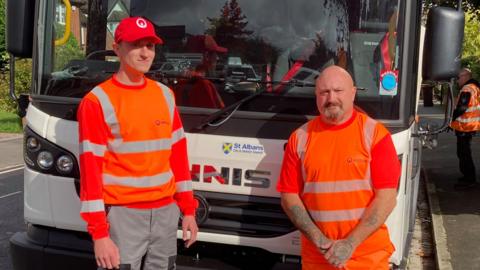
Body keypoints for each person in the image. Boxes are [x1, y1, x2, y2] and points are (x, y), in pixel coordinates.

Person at [77, 17, 198, 270]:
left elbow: (178, 158)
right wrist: (99, 234)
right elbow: (90, 173)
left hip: (166, 213)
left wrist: (188, 210)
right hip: (122, 216)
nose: (145, 53)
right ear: (117, 47)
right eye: (136, 45)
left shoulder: (165, 95)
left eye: (150, 46)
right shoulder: (97, 101)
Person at [277, 65, 401, 269]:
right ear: (316, 96)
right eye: (324, 92)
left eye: (338, 91)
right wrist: (319, 240)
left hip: (366, 257)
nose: (331, 98)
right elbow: (289, 196)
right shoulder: (299, 139)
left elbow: (386, 199)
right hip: (319, 258)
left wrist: (350, 244)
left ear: (353, 93)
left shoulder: (375, 135)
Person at [173, 35, 226, 108]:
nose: (217, 58)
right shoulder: (204, 85)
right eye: (215, 53)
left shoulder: (179, 82)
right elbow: (219, 116)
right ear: (207, 56)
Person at [450, 68, 480, 190]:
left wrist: (451, 118)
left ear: (466, 76)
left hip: (465, 127)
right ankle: (467, 177)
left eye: (459, 77)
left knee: (464, 153)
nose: (457, 81)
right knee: (464, 152)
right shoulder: (475, 87)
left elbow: (462, 107)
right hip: (469, 126)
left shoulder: (467, 89)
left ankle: (469, 179)